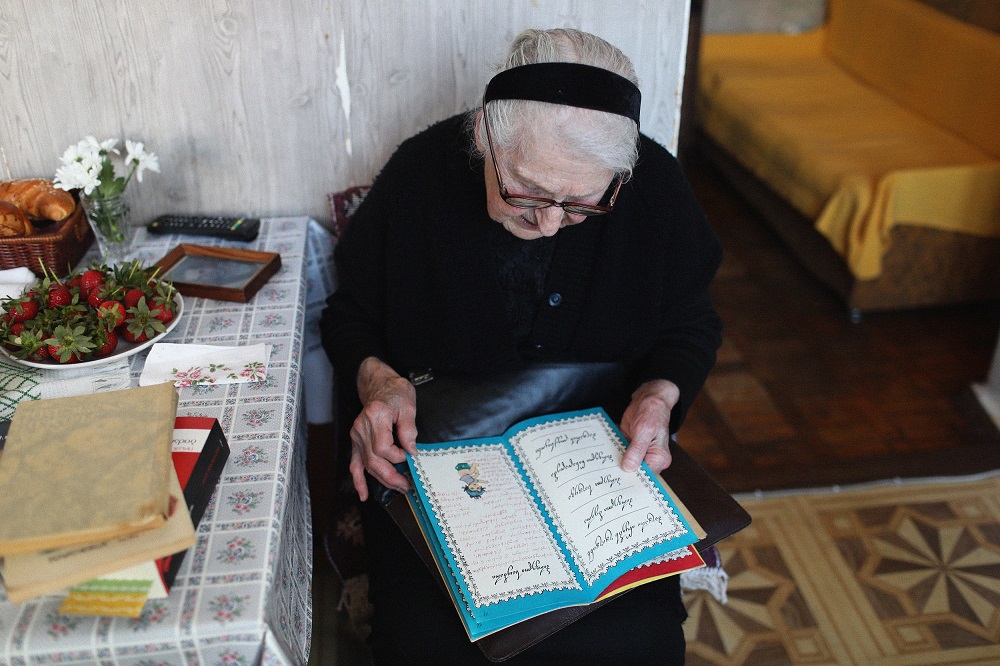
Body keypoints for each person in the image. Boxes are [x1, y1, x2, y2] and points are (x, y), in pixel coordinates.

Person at [320, 27, 723, 665]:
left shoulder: (655, 189)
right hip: (444, 469)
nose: (550, 223)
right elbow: (349, 316)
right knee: (434, 647)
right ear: (486, 138)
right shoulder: (422, 173)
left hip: (597, 474)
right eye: (526, 193)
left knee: (632, 645)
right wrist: (378, 382)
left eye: (583, 204)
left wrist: (658, 393)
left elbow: (690, 322)